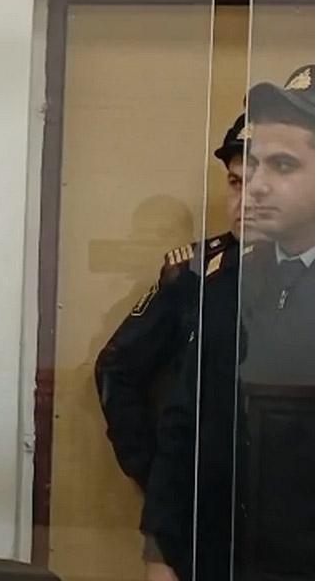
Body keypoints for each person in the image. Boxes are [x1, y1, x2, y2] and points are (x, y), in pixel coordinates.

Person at [141, 65, 315, 581]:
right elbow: (184, 426)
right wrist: (160, 550)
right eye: (253, 166)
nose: (256, 186)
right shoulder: (229, 284)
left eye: (282, 166)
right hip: (219, 556)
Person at [95, 112, 259, 488]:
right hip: (211, 491)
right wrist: (159, 477)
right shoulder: (195, 272)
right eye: (237, 183)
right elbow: (116, 368)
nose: (245, 202)